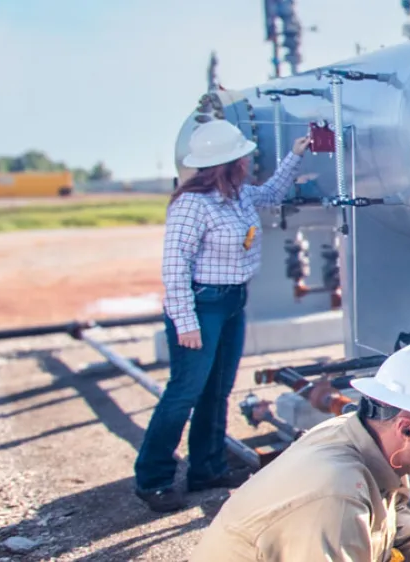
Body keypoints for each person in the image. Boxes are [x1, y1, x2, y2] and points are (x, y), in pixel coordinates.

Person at [133, 118, 312, 513]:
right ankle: (154, 478)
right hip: (202, 305)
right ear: (229, 163)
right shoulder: (191, 205)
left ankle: (207, 468)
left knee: (218, 389)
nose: (249, 160)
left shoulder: (239, 195)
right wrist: (186, 322)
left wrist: (296, 155)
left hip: (231, 303)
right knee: (184, 393)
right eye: (243, 156)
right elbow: (174, 266)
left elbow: (272, 193)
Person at [189, 340, 410, 562]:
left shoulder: (364, 437)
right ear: (406, 429)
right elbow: (342, 511)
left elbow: (393, 511)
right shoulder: (338, 496)